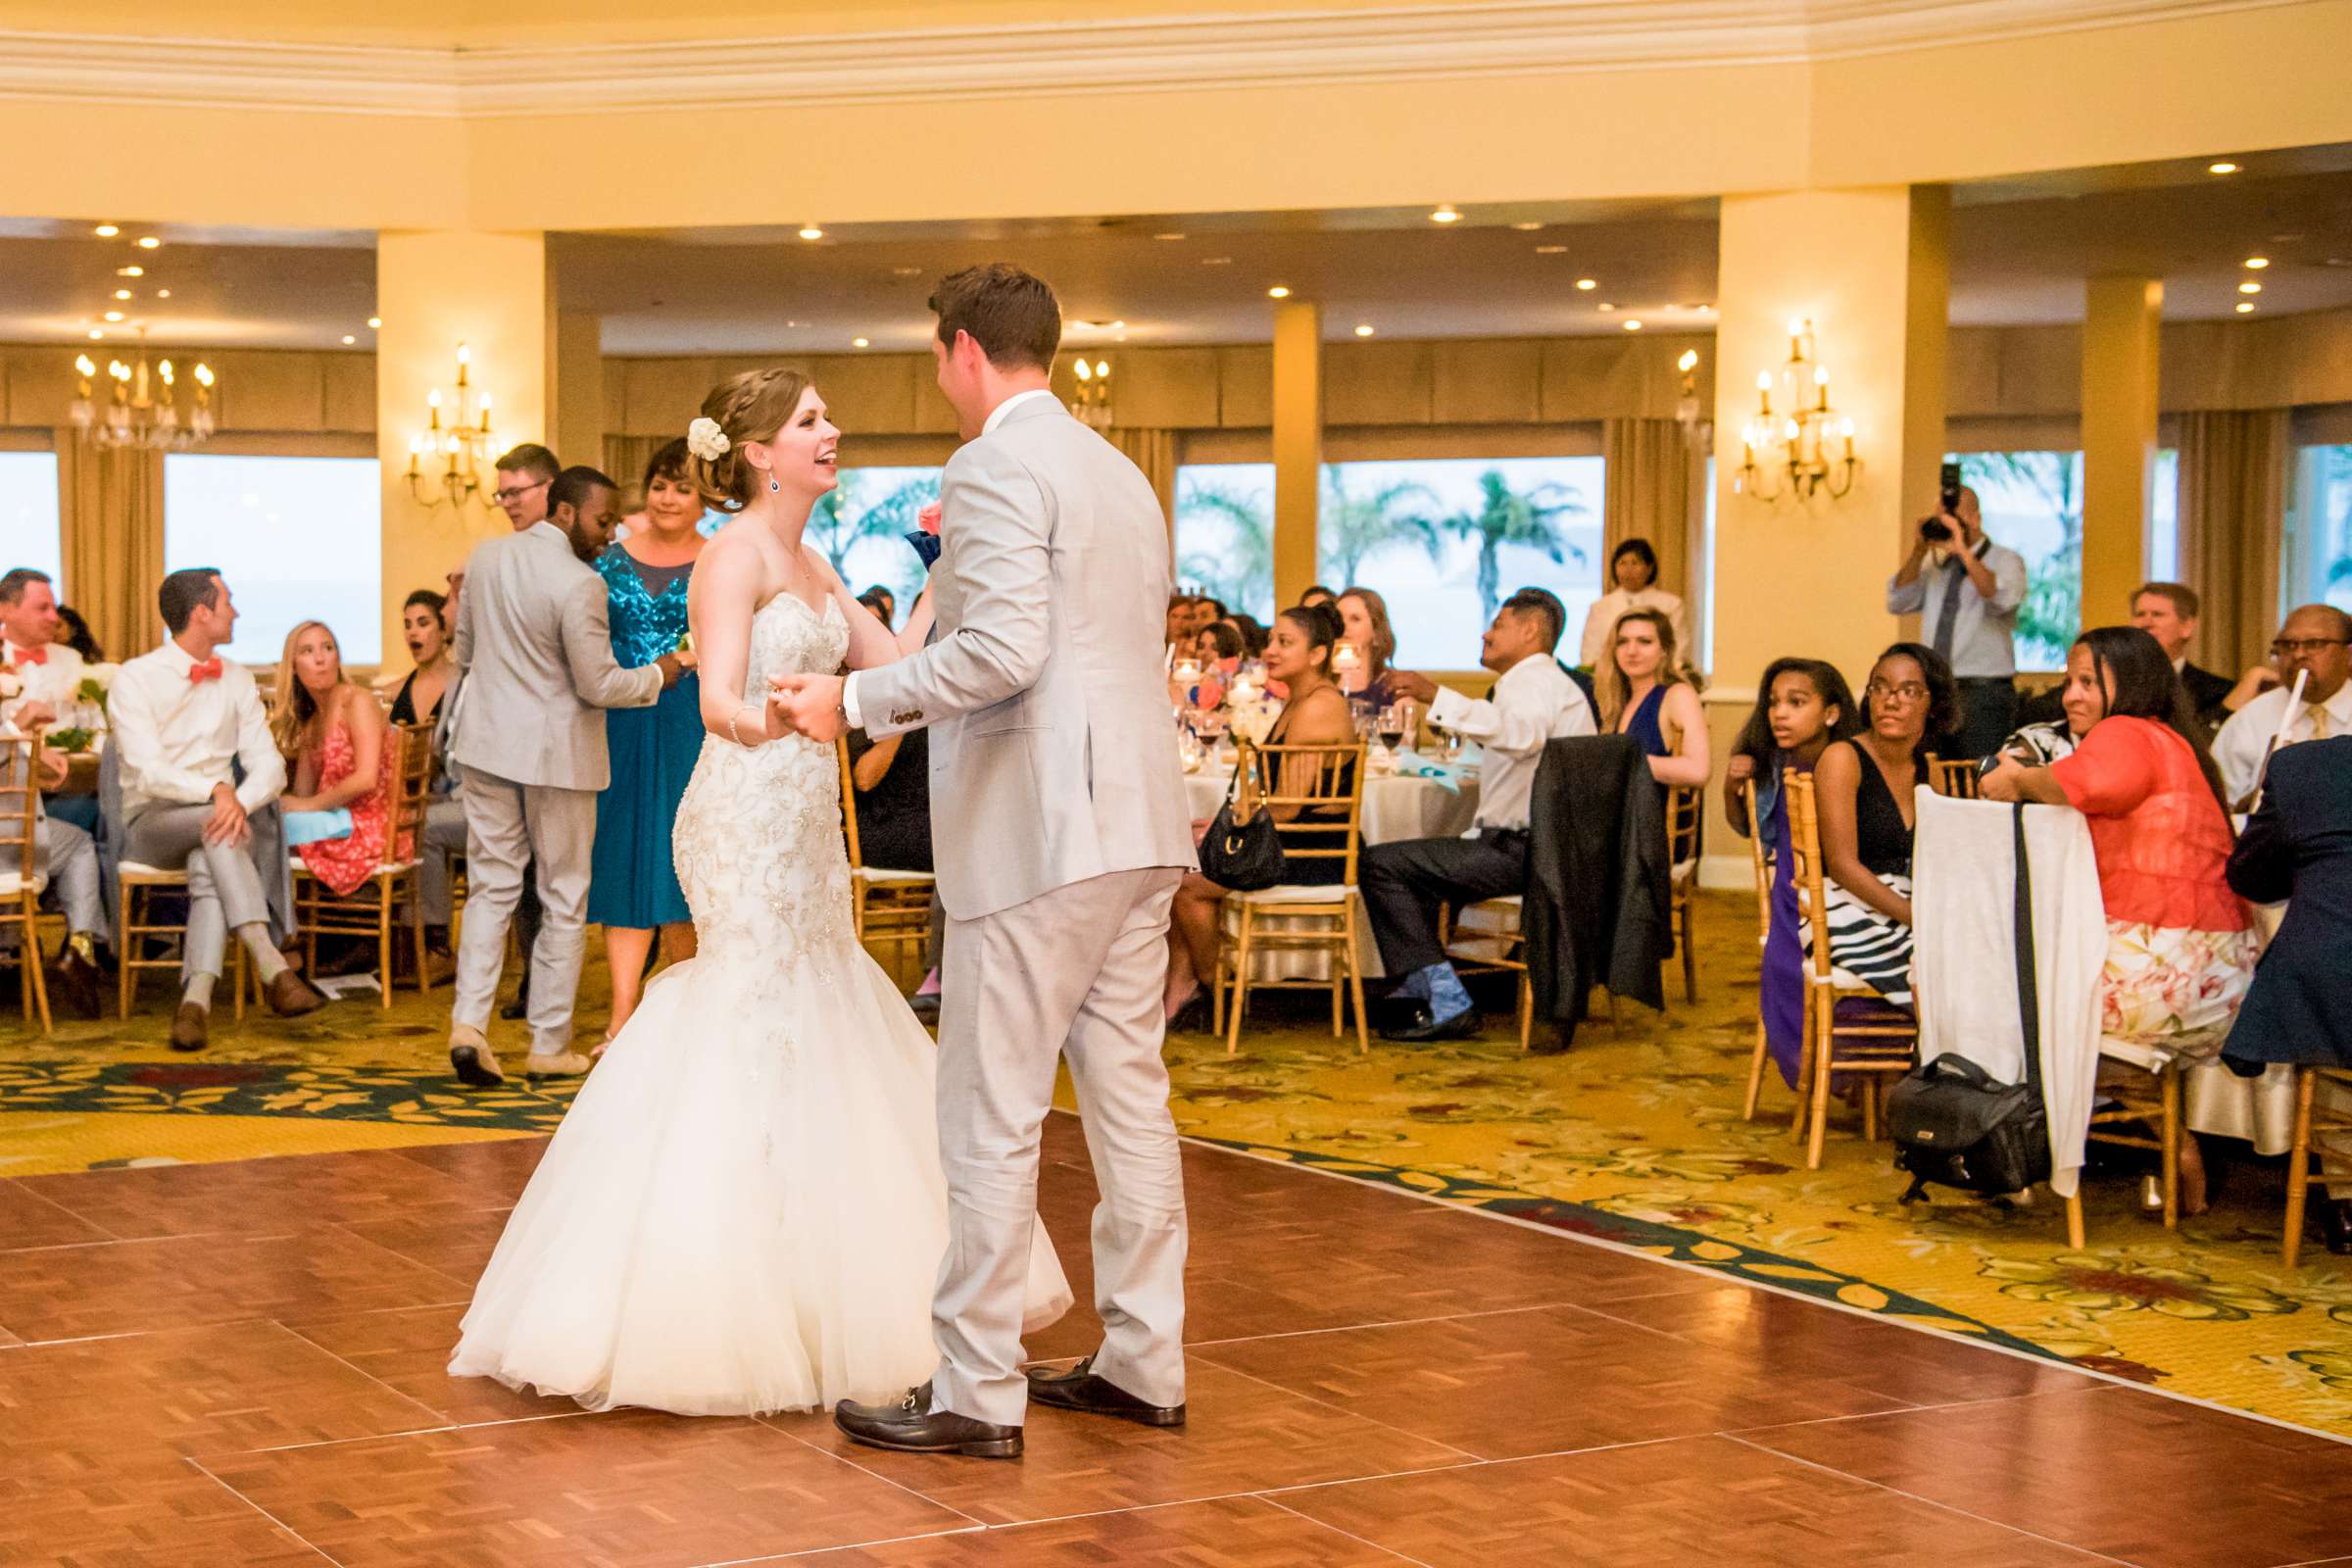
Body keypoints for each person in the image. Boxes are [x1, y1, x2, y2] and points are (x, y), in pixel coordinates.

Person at [457, 347, 1081, 1431]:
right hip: (742, 816)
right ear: (755, 452)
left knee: (824, 1010)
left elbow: (892, 671)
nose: (829, 430)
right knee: (749, 1009)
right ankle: (714, 1296)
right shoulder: (734, 554)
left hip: (805, 823)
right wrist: (801, 712)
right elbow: (719, 707)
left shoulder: (817, 557)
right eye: (809, 419)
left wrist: (940, 576)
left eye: (825, 415)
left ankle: (831, 1282)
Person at [768, 263, 1197, 1458]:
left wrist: (854, 699)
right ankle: (1144, 1360)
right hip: (1140, 826)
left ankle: (974, 1388)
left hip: (1041, 831)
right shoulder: (1122, 474)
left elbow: (1003, 650)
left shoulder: (994, 463)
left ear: (961, 350)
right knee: (1129, 1104)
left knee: (990, 1111)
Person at [1984, 626, 2257, 1214]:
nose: (2070, 696)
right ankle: (2163, 1146)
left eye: (2087, 682)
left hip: (2165, 969)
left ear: (2128, 686)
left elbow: (2092, 784)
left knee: (1992, 994)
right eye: (2069, 681)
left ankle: (2012, 1158)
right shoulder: (2172, 740)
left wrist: (2015, 780)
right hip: (2210, 969)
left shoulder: (2125, 732)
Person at [444, 466, 685, 1087]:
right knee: (563, 893)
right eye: (603, 520)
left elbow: (463, 653)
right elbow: (599, 684)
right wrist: (665, 671)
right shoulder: (580, 583)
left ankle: (468, 1025)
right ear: (568, 512)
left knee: (491, 887)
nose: (608, 535)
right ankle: (548, 1042)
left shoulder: (487, 557)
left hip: (487, 746)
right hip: (557, 755)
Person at [1366, 587, 1597, 1042]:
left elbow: (1522, 735)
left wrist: (1436, 694)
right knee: (1414, 870)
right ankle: (1424, 994)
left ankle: (1443, 999)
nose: (1485, 634)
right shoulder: (1545, 683)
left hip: (1526, 852)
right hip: (1545, 848)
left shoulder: (1533, 681)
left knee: (1381, 865)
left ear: (1531, 630)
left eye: (1498, 624)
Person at [109, 568, 324, 1051]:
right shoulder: (135, 678)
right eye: (227, 602)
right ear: (202, 612)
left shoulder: (238, 679)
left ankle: (196, 1001)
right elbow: (147, 771)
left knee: (213, 849)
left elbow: (270, 766)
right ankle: (269, 960)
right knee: (219, 828)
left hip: (220, 820)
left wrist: (238, 802)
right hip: (152, 824)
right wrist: (216, 791)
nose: (236, 611)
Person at [1163, 602, 1357, 1026]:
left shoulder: (1317, 707)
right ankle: (1182, 987)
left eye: (1285, 643)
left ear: (1317, 654)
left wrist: (1222, 826)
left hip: (1314, 851)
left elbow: (1287, 805)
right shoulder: (1299, 700)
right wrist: (1218, 822)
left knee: (1185, 883)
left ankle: (1214, 985)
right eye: (1271, 640)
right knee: (1180, 860)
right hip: (1293, 840)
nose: (1271, 651)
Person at [589, 438, 708, 1046]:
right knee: (625, 859)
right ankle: (623, 1012)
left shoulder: (719, 560)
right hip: (622, 722)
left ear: (704, 496)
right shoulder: (607, 563)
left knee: (681, 858)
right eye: (659, 485)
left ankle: (681, 1014)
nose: (667, 498)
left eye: (682, 487)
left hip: (693, 722)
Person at [2222, 734, 2352, 1253]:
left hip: (2322, 976)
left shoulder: (2305, 765)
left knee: (2330, 1017)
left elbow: (2252, 875)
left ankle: (2344, 1202)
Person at [1727, 659, 1862, 1088]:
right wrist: (1732, 786)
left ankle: (1868, 1071)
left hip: (1842, 890)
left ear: (1831, 713)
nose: (1779, 713)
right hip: (1793, 893)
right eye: (1774, 703)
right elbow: (1745, 826)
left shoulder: (1849, 764)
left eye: (1796, 702)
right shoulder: (1774, 763)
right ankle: (1822, 1068)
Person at [1808, 643, 1958, 1010]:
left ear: (1932, 704)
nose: (1890, 701)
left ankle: (1944, 1056)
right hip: (1845, 906)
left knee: (1979, 952)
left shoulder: (1930, 770)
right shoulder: (1843, 758)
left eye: (1908, 691)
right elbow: (1842, 867)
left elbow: (1942, 860)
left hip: (1908, 905)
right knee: (1943, 966)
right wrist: (1918, 917)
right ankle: (1936, 1052)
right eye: (1880, 687)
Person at [0, 567, 105, 1014]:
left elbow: (95, 728)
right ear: (6, 610)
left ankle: (79, 948)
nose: (53, 615)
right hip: (10, 817)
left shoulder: (70, 662)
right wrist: (17, 731)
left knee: (92, 829)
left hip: (46, 805)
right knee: (90, 833)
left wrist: (58, 754)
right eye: (41, 606)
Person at [483, 442, 564, 1018]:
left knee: (562, 878)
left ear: (549, 490)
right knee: (526, 875)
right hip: (507, 743)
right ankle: (533, 986)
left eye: (517, 492)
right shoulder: (493, 561)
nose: (507, 503)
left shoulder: (583, 561)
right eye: (502, 494)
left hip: (570, 738)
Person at [1886, 484, 2027, 760]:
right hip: (1937, 688)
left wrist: (1963, 550)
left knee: (1979, 775)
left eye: (1953, 516)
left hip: (1984, 693)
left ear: (1975, 519)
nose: (1946, 523)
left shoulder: (2005, 560)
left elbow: (1999, 597)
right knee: (1931, 771)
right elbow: (1898, 601)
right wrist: (1918, 551)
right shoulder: (1935, 568)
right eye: (1940, 516)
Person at [270, 620, 402, 905]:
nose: (320, 659)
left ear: (338, 656)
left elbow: (366, 778)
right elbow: (302, 795)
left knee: (267, 835)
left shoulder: (357, 701)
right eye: (307, 651)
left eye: (327, 648)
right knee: (264, 824)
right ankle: (289, 934)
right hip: (338, 820)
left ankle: (287, 937)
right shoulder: (312, 723)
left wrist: (308, 806)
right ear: (293, 666)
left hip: (373, 824)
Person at [2211, 604, 2352, 808]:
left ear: (2348, 654)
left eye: (2315, 644)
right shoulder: (2250, 719)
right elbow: (2220, 805)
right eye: (2287, 645)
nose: (2298, 655)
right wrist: (2262, 795)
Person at [1595, 608, 1709, 787]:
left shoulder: (1678, 694)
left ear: (1664, 649)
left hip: (1654, 811)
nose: (1631, 651)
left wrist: (1623, 762)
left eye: (1644, 641)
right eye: (1622, 642)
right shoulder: (1618, 699)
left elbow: (1698, 771)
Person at [1578, 538, 1688, 671]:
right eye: (1622, 563)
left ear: (1649, 568)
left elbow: (1678, 649)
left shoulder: (1671, 605)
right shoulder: (1600, 606)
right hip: (1609, 677)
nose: (1628, 570)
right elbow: (1590, 652)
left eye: (1635, 563)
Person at [388, 590, 454, 729]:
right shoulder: (392, 694)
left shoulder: (463, 686)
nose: (412, 632)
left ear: (444, 630)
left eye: (423, 624)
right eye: (407, 625)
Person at [1335, 586, 1401, 710]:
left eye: (1355, 619)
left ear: (1376, 633)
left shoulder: (1394, 689)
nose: (1343, 625)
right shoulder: (1316, 684)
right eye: (1338, 618)